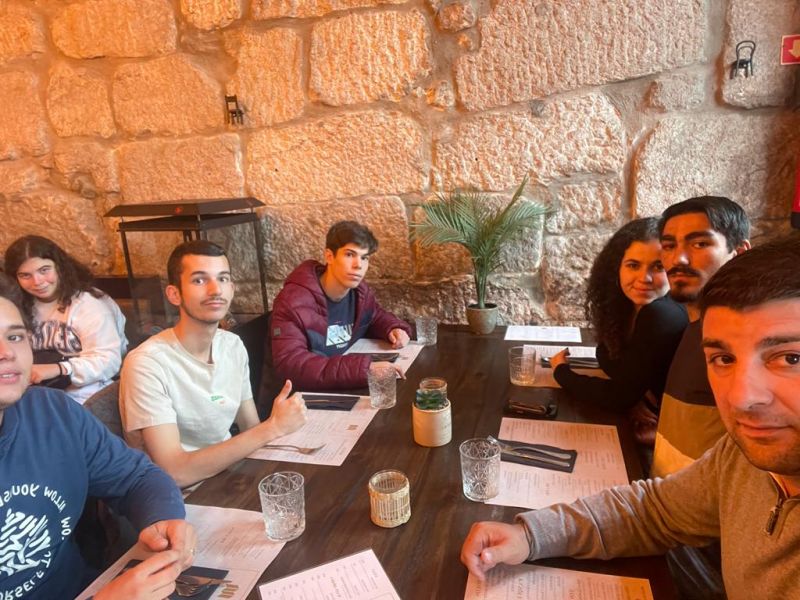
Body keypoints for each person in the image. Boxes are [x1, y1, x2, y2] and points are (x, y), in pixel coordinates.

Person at [460, 235, 800, 600]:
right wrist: (530, 535)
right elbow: (656, 511)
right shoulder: (741, 458)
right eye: (724, 359)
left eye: (790, 358)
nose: (742, 398)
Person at [0, 273, 196, 600]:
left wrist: (162, 518)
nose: (6, 351)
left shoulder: (51, 411)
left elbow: (136, 478)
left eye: (15, 336)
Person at [119, 241, 307, 489]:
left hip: (230, 477)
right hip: (178, 496)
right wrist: (273, 427)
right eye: (199, 280)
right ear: (174, 294)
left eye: (222, 278)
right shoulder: (146, 364)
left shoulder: (232, 346)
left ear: (232, 288)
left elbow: (250, 427)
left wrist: (277, 428)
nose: (215, 289)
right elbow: (175, 472)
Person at [550, 218, 688, 444]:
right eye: (633, 265)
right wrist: (634, 394)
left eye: (658, 267)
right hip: (644, 418)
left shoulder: (661, 314)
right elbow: (618, 373)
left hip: (669, 435)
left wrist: (561, 371)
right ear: (617, 268)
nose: (644, 278)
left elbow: (618, 396)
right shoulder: (625, 306)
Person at [652, 196, 750, 478]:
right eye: (669, 246)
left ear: (739, 253)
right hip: (663, 494)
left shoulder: (741, 342)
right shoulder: (694, 326)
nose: (678, 259)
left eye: (700, 244)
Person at [271, 221, 413, 390]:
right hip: (300, 396)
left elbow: (374, 316)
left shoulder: (359, 293)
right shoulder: (292, 302)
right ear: (329, 256)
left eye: (364, 258)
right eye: (349, 255)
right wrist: (364, 370)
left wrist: (392, 328)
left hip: (342, 386)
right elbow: (291, 365)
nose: (358, 265)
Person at [4, 235, 128, 405]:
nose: (37, 281)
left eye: (44, 270)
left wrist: (59, 369)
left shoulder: (90, 304)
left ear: (59, 267)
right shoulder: (16, 306)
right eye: (25, 275)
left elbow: (109, 361)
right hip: (37, 393)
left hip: (89, 393)